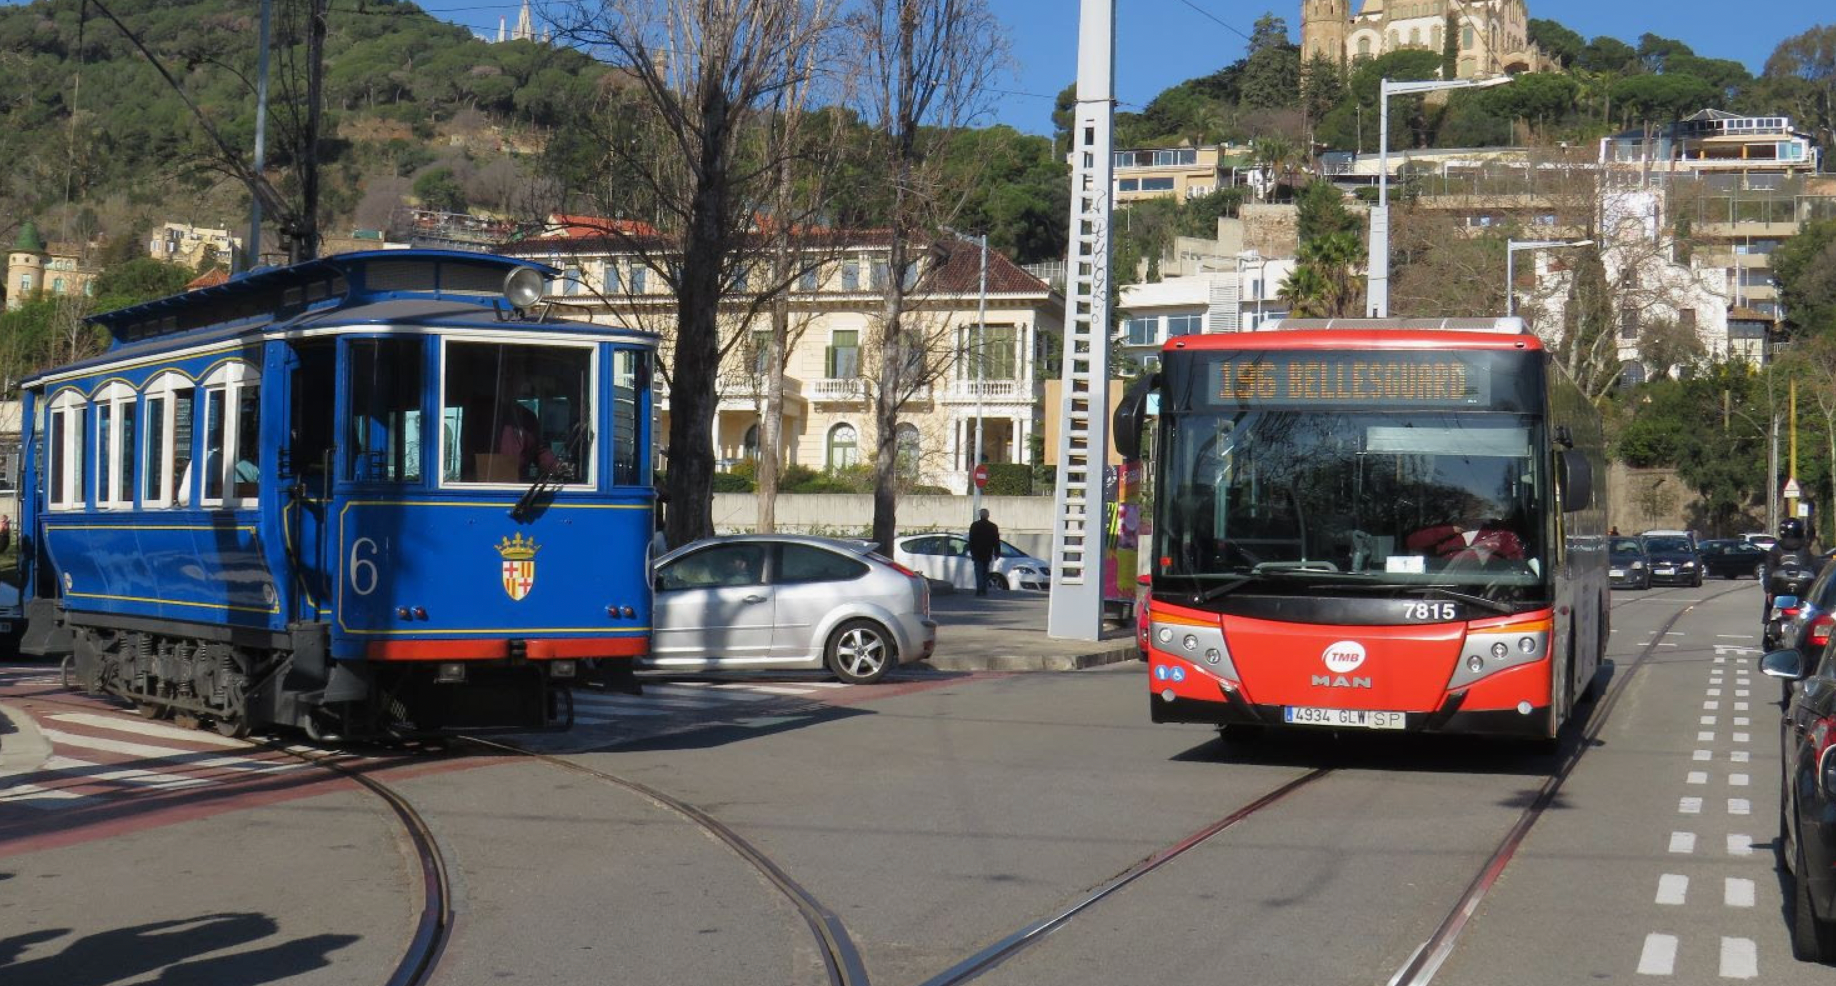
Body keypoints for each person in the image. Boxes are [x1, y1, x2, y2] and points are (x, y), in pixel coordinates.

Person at [968, 508, 999, 597]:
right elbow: (996, 541)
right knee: (985, 572)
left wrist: (971, 551)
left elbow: (971, 540)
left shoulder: (974, 526)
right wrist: (997, 552)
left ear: (980, 515)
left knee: (978, 571)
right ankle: (984, 589)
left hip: (977, 553)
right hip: (987, 552)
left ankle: (979, 589)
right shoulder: (993, 527)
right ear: (988, 515)